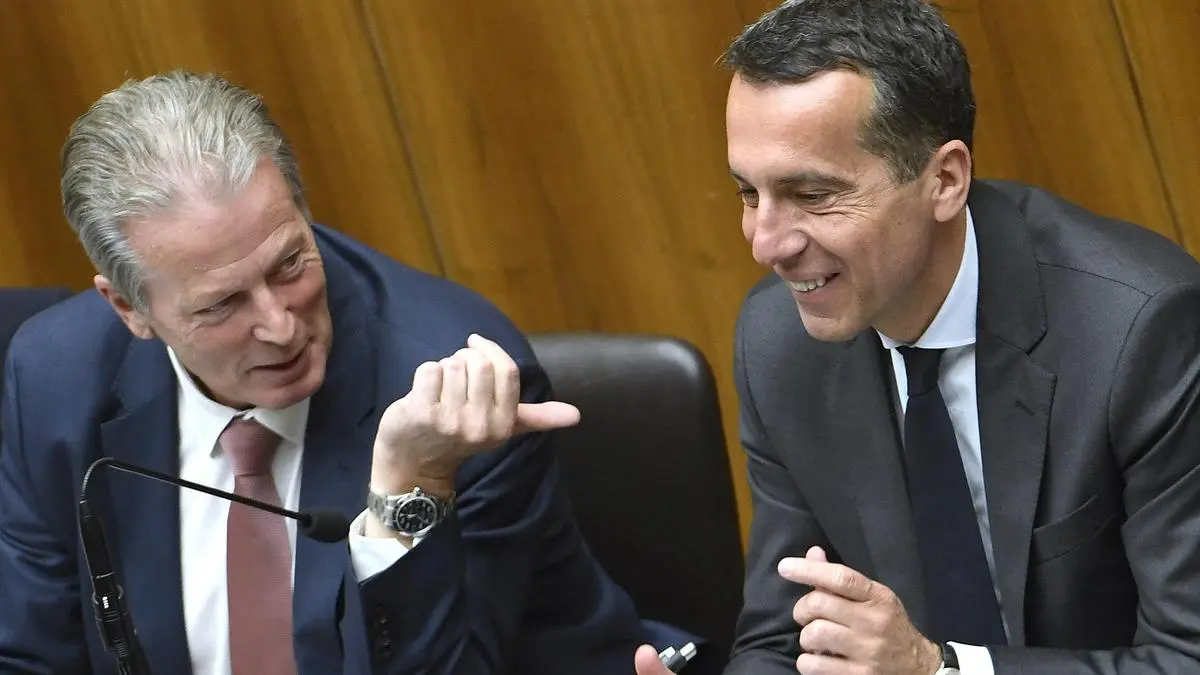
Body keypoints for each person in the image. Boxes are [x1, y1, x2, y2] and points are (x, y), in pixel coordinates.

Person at [0, 70, 693, 675]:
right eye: (221, 304)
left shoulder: (446, 382)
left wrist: (413, 485)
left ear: (303, 213)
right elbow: (29, 655)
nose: (280, 324)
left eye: (289, 264)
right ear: (129, 308)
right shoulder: (57, 380)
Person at [632, 0, 1200, 674]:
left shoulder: (1139, 332)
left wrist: (939, 669)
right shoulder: (779, 340)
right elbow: (786, 639)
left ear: (945, 180)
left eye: (811, 195)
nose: (765, 244)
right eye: (749, 194)